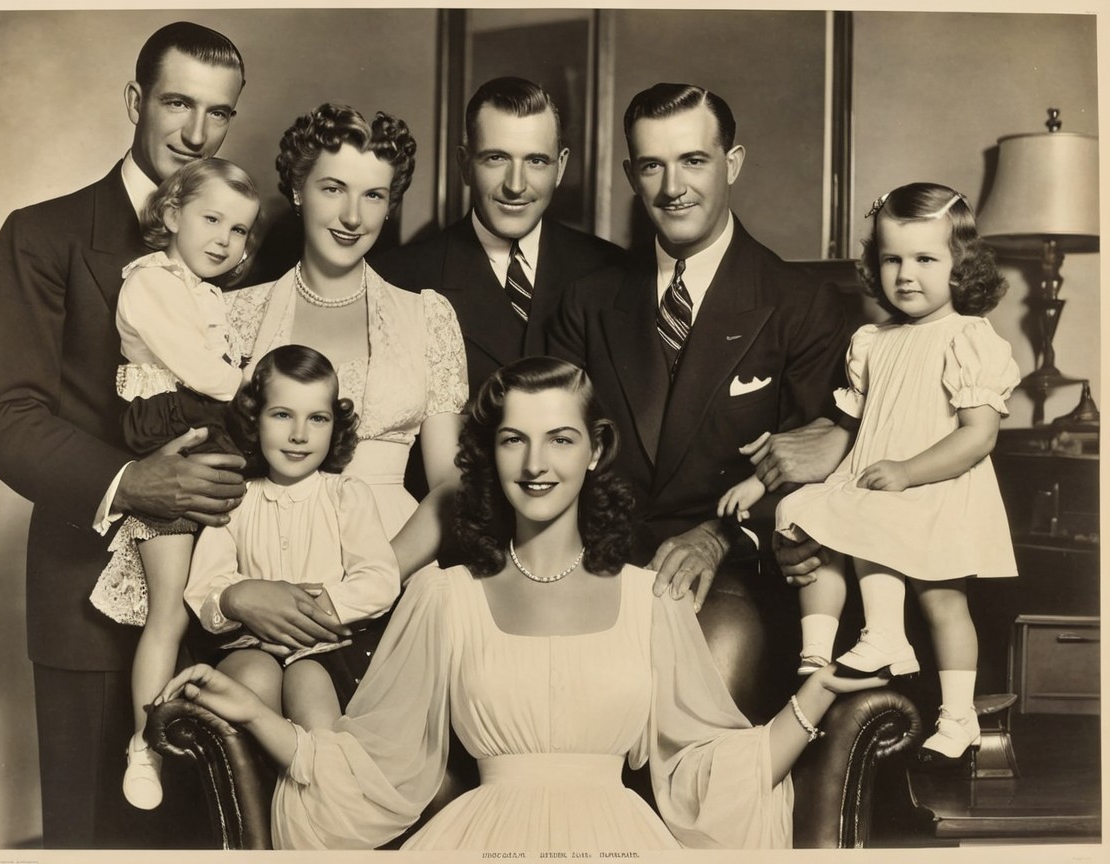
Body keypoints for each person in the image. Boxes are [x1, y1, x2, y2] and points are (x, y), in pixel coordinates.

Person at [156, 356, 887, 850]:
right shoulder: (441, 599)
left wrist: (815, 695)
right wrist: (255, 712)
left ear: (595, 451)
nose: (537, 466)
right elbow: (368, 772)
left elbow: (707, 775)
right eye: (514, 441)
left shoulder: (650, 600)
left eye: (560, 439)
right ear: (490, 453)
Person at [0, 21, 248, 847]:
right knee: (93, 841)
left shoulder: (232, 239)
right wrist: (129, 482)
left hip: (216, 604)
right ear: (135, 101)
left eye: (219, 113)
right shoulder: (43, 233)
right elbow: (3, 417)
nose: (197, 133)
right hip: (83, 607)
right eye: (176, 103)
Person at [546, 82, 849, 610]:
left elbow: (820, 464)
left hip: (736, 569)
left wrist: (718, 536)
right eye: (652, 166)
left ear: (731, 164)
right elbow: (554, 446)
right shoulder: (586, 302)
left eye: (693, 160)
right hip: (598, 563)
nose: (673, 188)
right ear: (630, 176)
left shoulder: (802, 303)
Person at [770, 184, 1019, 764]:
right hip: (879, 478)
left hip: (936, 482)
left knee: (941, 600)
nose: (906, 275)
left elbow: (977, 434)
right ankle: (825, 651)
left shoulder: (968, 337)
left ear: (962, 266)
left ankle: (958, 717)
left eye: (926, 259)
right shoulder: (871, 341)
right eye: (892, 258)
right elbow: (845, 431)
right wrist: (772, 483)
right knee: (811, 513)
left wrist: (908, 471)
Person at [222, 104, 468, 661]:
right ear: (298, 189)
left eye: (374, 196)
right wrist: (254, 593)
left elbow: (452, 489)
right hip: (270, 576)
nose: (353, 216)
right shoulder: (234, 315)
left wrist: (357, 588)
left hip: (399, 574)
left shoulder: (426, 316)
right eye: (334, 188)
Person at [81, 157, 260, 811]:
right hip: (171, 429)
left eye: (239, 230)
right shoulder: (150, 283)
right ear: (173, 212)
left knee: (218, 597)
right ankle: (143, 745)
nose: (225, 239)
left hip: (209, 423)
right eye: (212, 218)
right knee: (169, 609)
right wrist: (256, 395)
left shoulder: (206, 292)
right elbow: (199, 371)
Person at [185, 345, 399, 733]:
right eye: (282, 415)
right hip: (252, 644)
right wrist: (239, 599)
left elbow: (379, 580)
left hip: (330, 649)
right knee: (250, 677)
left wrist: (307, 613)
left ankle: (320, 789)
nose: (299, 435)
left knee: (308, 686)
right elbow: (204, 588)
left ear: (335, 425)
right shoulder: (235, 500)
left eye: (317, 418)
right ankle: (261, 790)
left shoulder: (345, 494)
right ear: (255, 419)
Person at [373, 76, 625, 398]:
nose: (516, 185)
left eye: (536, 161)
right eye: (496, 158)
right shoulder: (397, 280)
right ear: (464, 164)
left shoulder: (612, 270)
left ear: (560, 167)